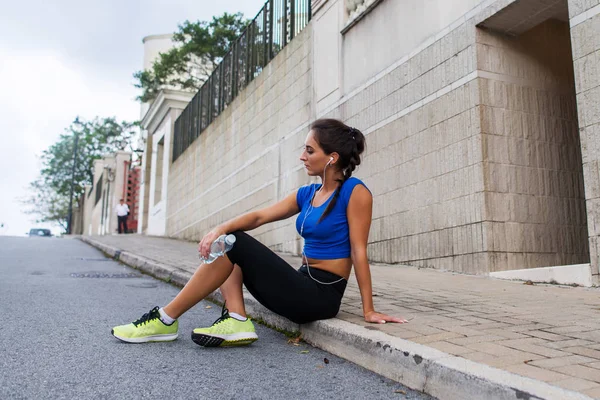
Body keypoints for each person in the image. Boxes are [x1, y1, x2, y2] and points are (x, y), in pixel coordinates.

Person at [112, 119, 407, 346]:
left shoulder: (355, 193)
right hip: (301, 283)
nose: (302, 156)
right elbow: (259, 216)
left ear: (331, 157)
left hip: (320, 297)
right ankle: (238, 319)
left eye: (309, 150)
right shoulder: (308, 193)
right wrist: (220, 228)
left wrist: (369, 309)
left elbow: (359, 251)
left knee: (235, 242)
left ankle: (164, 319)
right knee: (229, 240)